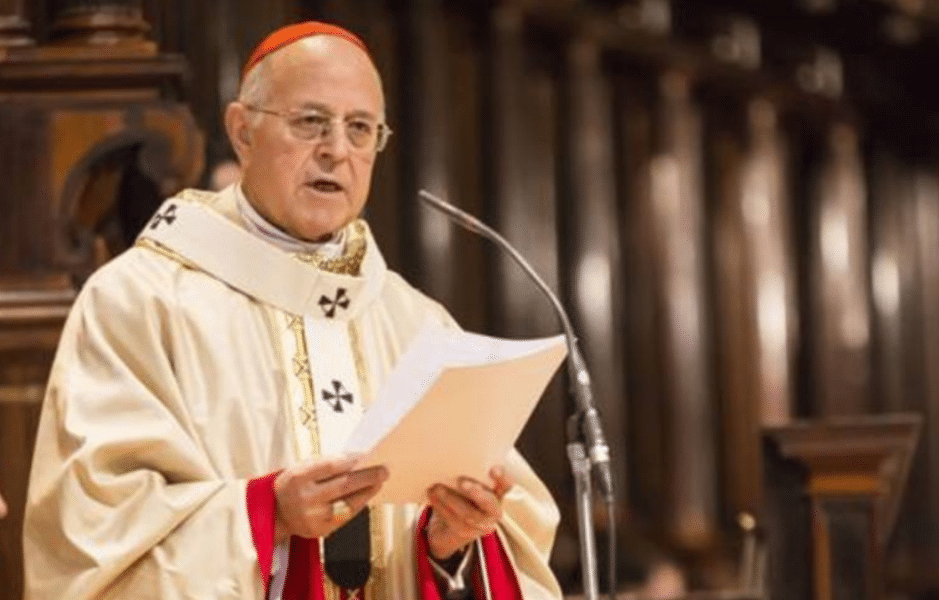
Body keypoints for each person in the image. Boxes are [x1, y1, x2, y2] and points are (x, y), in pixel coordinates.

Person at [23, 21, 562, 600]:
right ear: (242, 131)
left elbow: (507, 533)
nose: (337, 150)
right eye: (310, 122)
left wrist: (450, 544)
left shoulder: (418, 323)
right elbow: (92, 535)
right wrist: (269, 515)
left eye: (361, 129)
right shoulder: (139, 302)